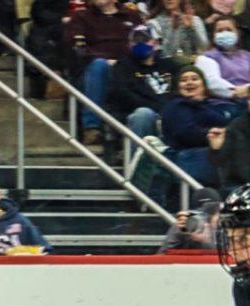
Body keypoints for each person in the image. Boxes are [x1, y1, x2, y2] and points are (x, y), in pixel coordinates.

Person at [65, 0, 145, 146]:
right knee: (99, 66)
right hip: (92, 70)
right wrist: (105, 59)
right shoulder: (81, 16)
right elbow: (78, 48)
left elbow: (142, 44)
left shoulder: (131, 16)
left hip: (126, 68)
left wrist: (121, 62)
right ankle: (91, 128)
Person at [161, 65, 238, 185]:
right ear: (177, 86)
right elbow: (185, 133)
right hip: (187, 156)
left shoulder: (213, 107)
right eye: (184, 80)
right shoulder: (175, 106)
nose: (189, 83)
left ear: (204, 85)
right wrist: (212, 134)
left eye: (194, 78)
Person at [107, 25, 178, 139]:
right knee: (144, 113)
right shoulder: (123, 65)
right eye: (136, 41)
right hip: (136, 114)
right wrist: (158, 108)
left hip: (168, 113)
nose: (140, 44)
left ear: (154, 43)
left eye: (144, 40)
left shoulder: (169, 65)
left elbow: (177, 91)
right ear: (129, 45)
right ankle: (138, 156)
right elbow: (125, 95)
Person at [195, 15, 250, 99]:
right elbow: (212, 83)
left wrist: (247, 90)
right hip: (224, 103)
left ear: (238, 33)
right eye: (220, 31)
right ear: (213, 35)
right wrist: (237, 92)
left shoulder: (247, 56)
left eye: (229, 30)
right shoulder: (206, 57)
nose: (225, 33)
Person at [155, 186, 220, 251]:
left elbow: (224, 256)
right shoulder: (188, 220)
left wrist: (207, 241)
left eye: (211, 212)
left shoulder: (219, 226)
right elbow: (163, 253)